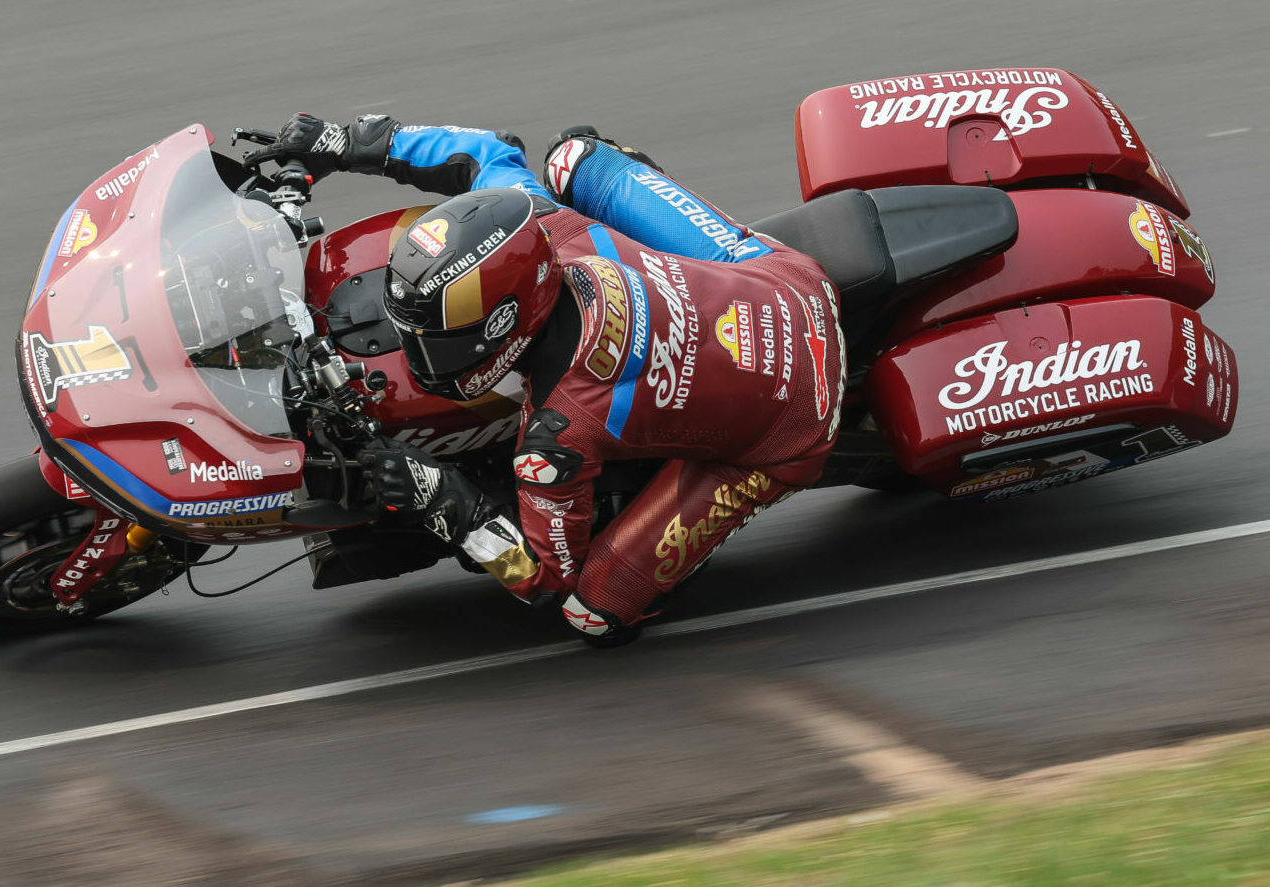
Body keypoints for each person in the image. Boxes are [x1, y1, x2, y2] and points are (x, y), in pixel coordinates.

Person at [246, 113, 843, 647]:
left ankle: (659, 495)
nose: (421, 354)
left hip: (793, 426)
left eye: (438, 339)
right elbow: (487, 152)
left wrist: (442, 496)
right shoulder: (550, 228)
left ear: (504, 322)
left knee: (592, 613)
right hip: (783, 280)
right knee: (572, 159)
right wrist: (343, 142)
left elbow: (542, 578)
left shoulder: (559, 429)